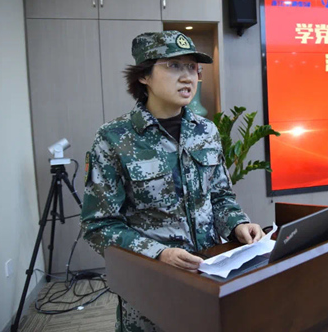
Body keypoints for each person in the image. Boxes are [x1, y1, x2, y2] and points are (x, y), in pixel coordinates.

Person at [81, 31, 265, 332]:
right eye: (173, 66)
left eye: (192, 67)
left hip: (209, 277)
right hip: (152, 287)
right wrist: (159, 254)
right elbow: (98, 226)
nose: (187, 77)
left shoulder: (206, 131)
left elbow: (220, 196)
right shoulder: (114, 138)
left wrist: (237, 224)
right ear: (144, 76)